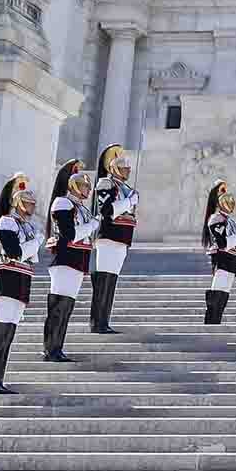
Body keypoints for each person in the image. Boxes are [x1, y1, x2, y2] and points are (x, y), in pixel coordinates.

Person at [0, 174, 41, 393]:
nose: (31, 207)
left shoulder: (27, 226)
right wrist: (35, 243)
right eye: (27, 203)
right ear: (17, 202)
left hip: (23, 279)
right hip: (8, 278)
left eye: (33, 204)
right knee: (1, 330)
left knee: (9, 332)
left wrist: (32, 245)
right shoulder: (7, 222)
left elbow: (31, 258)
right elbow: (14, 252)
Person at [42, 161, 97, 362]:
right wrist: (92, 225)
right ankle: (50, 348)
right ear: (73, 186)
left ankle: (57, 347)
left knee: (66, 307)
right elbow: (70, 234)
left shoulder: (81, 208)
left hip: (78, 261)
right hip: (65, 259)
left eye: (88, 187)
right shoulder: (63, 203)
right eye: (84, 186)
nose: (88, 190)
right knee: (58, 306)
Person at [89, 143, 138, 335]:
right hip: (109, 235)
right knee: (104, 278)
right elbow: (107, 210)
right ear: (113, 167)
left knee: (111, 280)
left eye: (127, 166)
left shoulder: (126, 188)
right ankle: (97, 321)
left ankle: (104, 320)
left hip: (122, 238)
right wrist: (129, 202)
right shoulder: (105, 183)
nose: (127, 169)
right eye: (122, 165)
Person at [203, 181, 236, 324]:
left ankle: (216, 321)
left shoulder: (230, 220)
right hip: (221, 257)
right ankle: (211, 322)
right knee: (218, 289)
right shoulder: (216, 218)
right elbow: (222, 243)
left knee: (225, 291)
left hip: (232, 258)